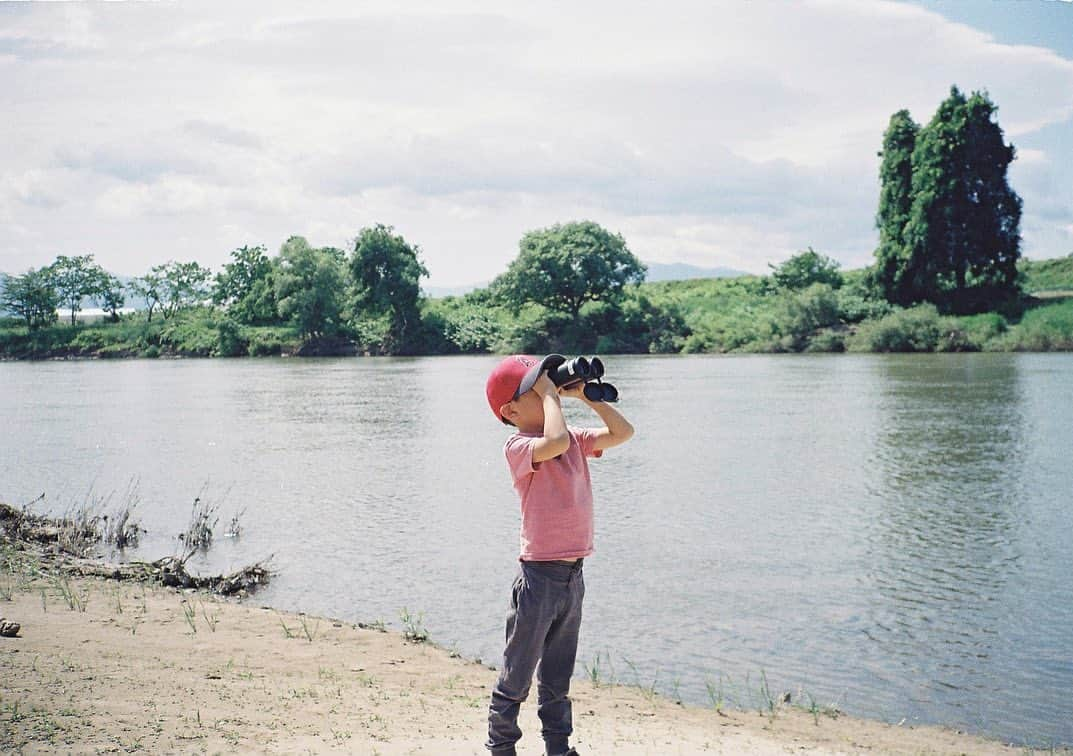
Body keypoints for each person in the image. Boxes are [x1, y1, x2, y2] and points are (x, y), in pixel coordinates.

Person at [483, 354, 635, 756]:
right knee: (518, 673)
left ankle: (558, 747)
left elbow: (622, 432)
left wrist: (588, 398)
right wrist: (551, 394)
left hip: (573, 576)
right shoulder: (518, 446)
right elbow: (554, 442)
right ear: (510, 410)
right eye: (534, 388)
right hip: (538, 578)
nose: (546, 391)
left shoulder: (573, 441)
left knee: (557, 674)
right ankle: (501, 746)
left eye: (546, 384)